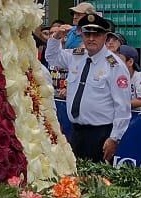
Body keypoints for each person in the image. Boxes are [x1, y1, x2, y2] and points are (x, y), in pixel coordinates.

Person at [46, 14, 132, 161]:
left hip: (100, 134)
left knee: (97, 180)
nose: (91, 38)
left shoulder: (114, 65)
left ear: (105, 37)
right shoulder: (76, 56)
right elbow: (52, 57)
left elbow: (122, 106)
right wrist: (56, 37)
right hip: (76, 131)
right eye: (87, 34)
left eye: (96, 34)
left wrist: (114, 138)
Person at [117, 44, 141, 109]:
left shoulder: (138, 76)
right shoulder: (116, 77)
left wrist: (119, 104)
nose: (116, 63)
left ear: (130, 62)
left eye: (119, 60)